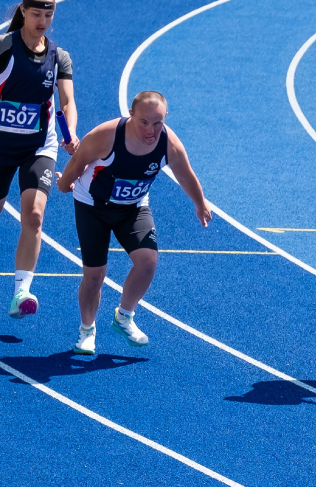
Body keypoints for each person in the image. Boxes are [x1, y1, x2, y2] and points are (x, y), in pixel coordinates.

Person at [0, 0, 79, 319]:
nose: (42, 20)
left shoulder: (59, 57)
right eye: (36, 13)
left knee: (34, 215)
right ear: (23, 11)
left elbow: (67, 102)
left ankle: (21, 291)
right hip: (0, 145)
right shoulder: (4, 46)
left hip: (40, 145)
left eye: (48, 15)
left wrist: (70, 133)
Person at [55, 91, 211, 354]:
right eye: (144, 122)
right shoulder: (106, 135)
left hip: (133, 208)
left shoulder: (169, 143)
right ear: (131, 115)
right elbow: (78, 161)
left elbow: (185, 175)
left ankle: (124, 316)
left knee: (148, 262)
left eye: (157, 123)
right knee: (94, 276)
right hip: (93, 206)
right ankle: (87, 330)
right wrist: (62, 184)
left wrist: (200, 202)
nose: (151, 130)